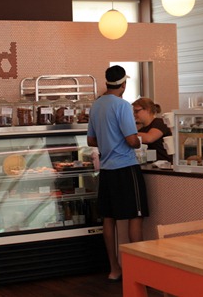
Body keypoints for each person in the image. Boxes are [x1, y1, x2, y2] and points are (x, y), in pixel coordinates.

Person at [87, 65, 148, 282]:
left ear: (107, 82)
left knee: (109, 218)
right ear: (124, 84)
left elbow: (91, 140)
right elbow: (131, 140)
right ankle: (137, 271)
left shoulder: (96, 105)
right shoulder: (122, 105)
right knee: (135, 216)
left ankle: (114, 269)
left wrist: (108, 140)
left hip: (106, 169)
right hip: (125, 167)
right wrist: (139, 142)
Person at [132, 97, 172, 162]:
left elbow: (149, 138)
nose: (134, 114)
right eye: (134, 112)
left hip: (164, 164)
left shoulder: (160, 123)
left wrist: (128, 134)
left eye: (136, 111)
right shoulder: (141, 129)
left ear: (148, 110)